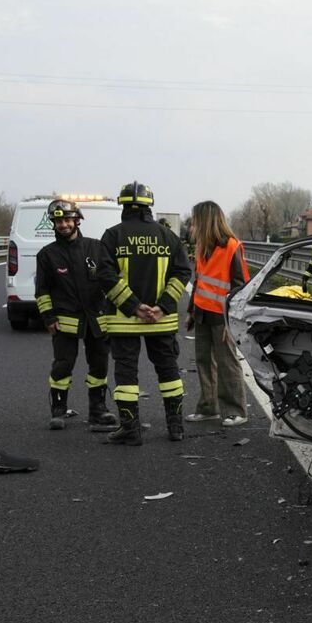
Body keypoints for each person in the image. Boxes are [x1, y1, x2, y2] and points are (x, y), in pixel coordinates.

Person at [34, 199, 139, 432]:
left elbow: (113, 279)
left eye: (67, 220)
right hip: (65, 321)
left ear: (77, 220)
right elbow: (42, 291)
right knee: (62, 366)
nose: (63, 225)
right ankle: (58, 411)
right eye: (58, 221)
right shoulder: (47, 255)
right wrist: (49, 318)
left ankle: (98, 410)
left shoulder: (96, 248)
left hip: (97, 319)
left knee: (99, 365)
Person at [100, 181, 192, 445]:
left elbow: (105, 275)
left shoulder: (112, 235)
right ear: (149, 206)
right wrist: (161, 306)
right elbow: (182, 273)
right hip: (161, 321)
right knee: (168, 370)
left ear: (123, 205)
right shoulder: (168, 237)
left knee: (126, 375)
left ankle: (130, 430)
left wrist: (133, 306)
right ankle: (176, 428)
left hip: (124, 321)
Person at [185, 201, 250, 427]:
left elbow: (241, 287)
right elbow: (199, 282)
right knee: (204, 361)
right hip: (203, 313)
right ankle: (208, 408)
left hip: (222, 317)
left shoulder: (232, 246)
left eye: (195, 220)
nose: (192, 225)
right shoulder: (202, 246)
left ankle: (236, 410)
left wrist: (232, 322)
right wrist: (191, 312)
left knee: (227, 362)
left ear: (205, 220)